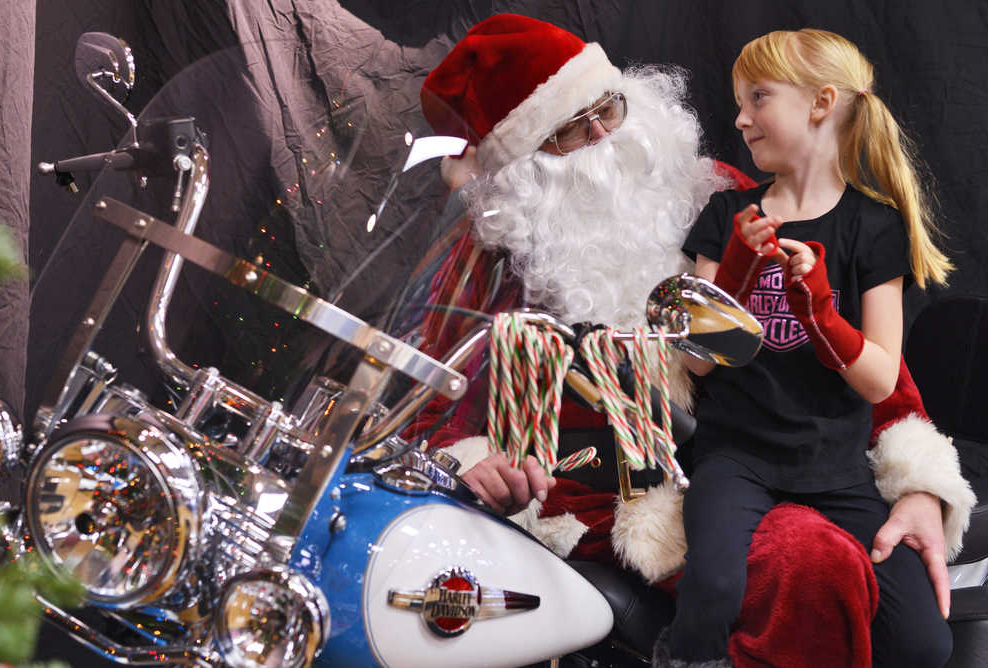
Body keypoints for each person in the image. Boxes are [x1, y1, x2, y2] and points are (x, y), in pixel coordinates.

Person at [415, 14, 974, 667]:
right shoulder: (490, 260)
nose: (604, 136)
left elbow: (852, 356)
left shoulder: (727, 200)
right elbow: (431, 404)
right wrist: (474, 461)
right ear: (520, 169)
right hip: (609, 492)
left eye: (609, 107)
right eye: (570, 129)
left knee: (909, 632)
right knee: (806, 560)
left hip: (777, 459)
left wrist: (920, 487)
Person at [660, 28, 960, 667]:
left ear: (821, 103)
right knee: (712, 589)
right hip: (734, 457)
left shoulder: (873, 226)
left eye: (758, 97)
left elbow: (880, 381)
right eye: (739, 101)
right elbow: (691, 360)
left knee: (924, 643)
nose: (740, 118)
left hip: (837, 467)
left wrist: (821, 311)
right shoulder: (726, 214)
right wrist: (737, 269)